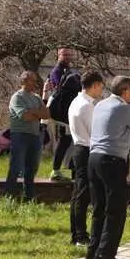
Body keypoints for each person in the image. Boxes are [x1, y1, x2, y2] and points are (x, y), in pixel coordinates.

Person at [86, 76, 130, 259]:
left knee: (99, 208)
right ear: (124, 91)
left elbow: (116, 126)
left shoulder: (101, 104)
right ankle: (105, 255)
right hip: (111, 161)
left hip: (94, 158)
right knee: (116, 210)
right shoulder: (125, 108)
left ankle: (92, 253)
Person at [67, 70, 105, 246]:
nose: (101, 91)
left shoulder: (77, 101)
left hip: (79, 147)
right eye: (101, 87)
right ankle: (80, 235)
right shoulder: (86, 106)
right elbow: (95, 131)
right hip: (86, 148)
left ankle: (76, 232)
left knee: (78, 193)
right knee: (83, 194)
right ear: (95, 85)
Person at [5, 71, 49, 201]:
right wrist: (37, 113)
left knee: (32, 166)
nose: (35, 83)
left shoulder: (36, 97)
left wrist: (33, 112)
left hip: (34, 135)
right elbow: (25, 116)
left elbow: (46, 114)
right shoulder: (17, 97)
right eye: (32, 80)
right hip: (20, 135)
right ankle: (9, 195)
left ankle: (28, 196)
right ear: (24, 81)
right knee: (16, 165)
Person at [45, 48, 81, 181]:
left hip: (69, 114)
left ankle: (71, 170)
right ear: (58, 56)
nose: (67, 57)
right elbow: (58, 90)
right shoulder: (57, 71)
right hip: (62, 115)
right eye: (64, 54)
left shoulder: (70, 71)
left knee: (69, 142)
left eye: (69, 54)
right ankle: (56, 170)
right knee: (64, 142)